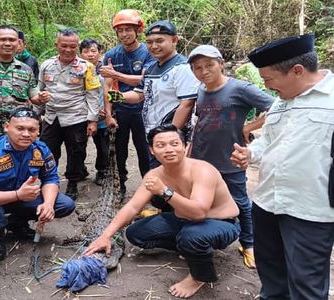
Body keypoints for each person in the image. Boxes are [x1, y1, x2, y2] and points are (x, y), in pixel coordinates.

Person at [231, 34, 334, 299]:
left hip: (310, 209)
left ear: (297, 70)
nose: (266, 86)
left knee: (306, 285)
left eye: (268, 79)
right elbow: (269, 140)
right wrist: (250, 153)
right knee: (272, 276)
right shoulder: (281, 100)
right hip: (267, 203)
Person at [85, 124, 240, 299]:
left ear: (185, 146)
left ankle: (199, 277)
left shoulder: (202, 170)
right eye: (161, 145)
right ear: (152, 150)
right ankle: (192, 247)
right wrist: (106, 235)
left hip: (220, 223)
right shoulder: (154, 174)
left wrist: (164, 191)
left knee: (192, 237)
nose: (169, 149)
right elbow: (133, 207)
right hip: (183, 220)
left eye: (174, 144)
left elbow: (199, 213)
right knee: (136, 234)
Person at [187, 45, 274, 269]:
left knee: (241, 202)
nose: (204, 71)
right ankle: (205, 240)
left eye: (209, 65)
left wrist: (250, 126)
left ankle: (249, 244)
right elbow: (199, 122)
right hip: (201, 157)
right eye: (198, 68)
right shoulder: (201, 90)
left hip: (231, 158)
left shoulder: (240, 88)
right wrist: (189, 148)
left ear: (221, 63)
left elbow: (275, 107)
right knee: (202, 199)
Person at [0, 107, 75, 261]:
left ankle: (16, 223)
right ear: (7, 127)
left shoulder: (40, 149)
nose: (26, 134)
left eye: (32, 129)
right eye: (20, 128)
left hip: (21, 198)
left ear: (38, 131)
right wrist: (17, 194)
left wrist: (48, 204)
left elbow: (50, 178)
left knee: (64, 204)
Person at [119, 20, 199, 169]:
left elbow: (187, 104)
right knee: (155, 174)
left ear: (174, 40)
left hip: (170, 138)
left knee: (170, 179)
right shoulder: (151, 68)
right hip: (153, 135)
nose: (153, 46)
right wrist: (117, 96)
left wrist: (170, 137)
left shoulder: (182, 67)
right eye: (149, 42)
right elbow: (140, 95)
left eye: (159, 41)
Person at [39, 29, 101, 200]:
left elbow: (93, 94)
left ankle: (73, 182)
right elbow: (40, 89)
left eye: (72, 46)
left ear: (77, 47)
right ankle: (49, 183)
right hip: (51, 117)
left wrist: (92, 121)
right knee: (48, 151)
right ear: (56, 45)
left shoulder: (87, 67)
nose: (68, 50)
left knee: (76, 152)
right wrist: (39, 103)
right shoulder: (46, 65)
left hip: (76, 117)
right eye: (64, 46)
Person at [101, 9, 155, 200]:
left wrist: (117, 75)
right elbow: (107, 86)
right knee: (119, 151)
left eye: (128, 29)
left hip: (144, 110)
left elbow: (144, 80)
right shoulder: (112, 55)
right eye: (120, 30)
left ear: (138, 30)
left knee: (145, 150)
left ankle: (149, 189)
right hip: (121, 109)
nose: (124, 34)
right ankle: (120, 186)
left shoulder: (149, 52)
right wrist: (108, 114)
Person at [0, 25, 48, 135]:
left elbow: (34, 97)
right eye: (2, 39)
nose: (7, 43)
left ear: (18, 43)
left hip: (18, 131)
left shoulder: (26, 69)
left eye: (12, 40)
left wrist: (42, 97)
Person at [79, 38, 109, 186]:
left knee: (103, 148)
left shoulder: (106, 71)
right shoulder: (77, 70)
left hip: (102, 117)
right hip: (81, 117)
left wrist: (108, 110)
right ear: (80, 54)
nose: (90, 55)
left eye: (93, 51)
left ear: (99, 53)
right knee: (78, 146)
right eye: (86, 51)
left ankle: (102, 171)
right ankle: (80, 170)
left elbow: (112, 92)